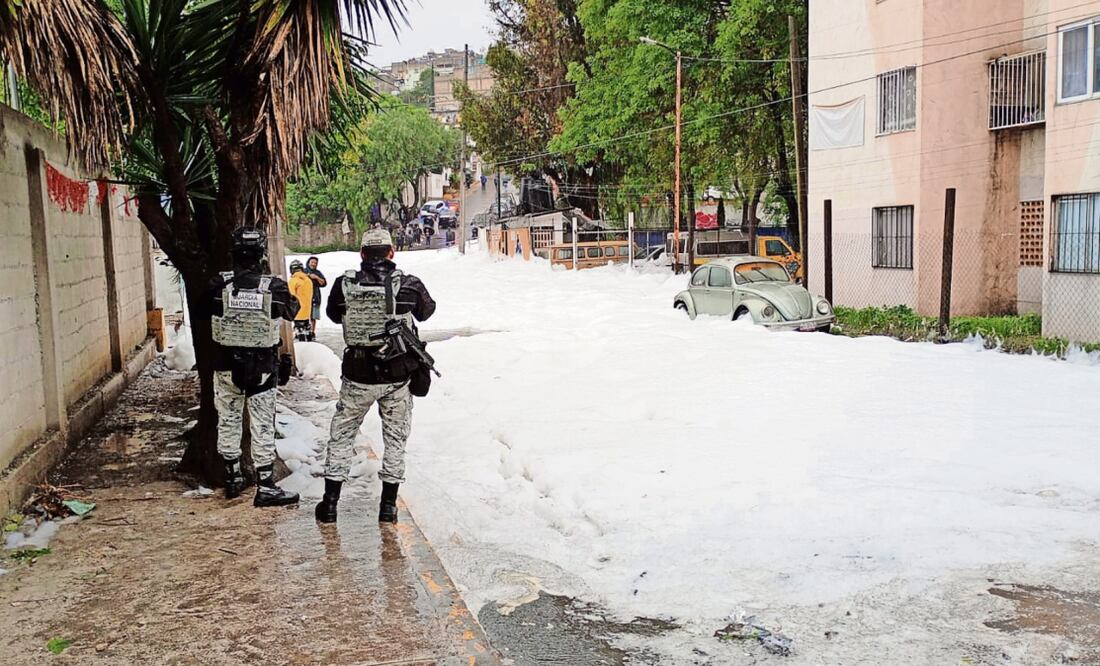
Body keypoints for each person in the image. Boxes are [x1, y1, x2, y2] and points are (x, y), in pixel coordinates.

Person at [315, 229, 436, 524]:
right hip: (397, 378)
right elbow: (427, 312)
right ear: (391, 253)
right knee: (395, 440)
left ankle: (330, 506)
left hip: (357, 375)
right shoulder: (408, 285)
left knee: (341, 436)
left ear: (362, 255)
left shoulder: (344, 284)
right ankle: (387, 507)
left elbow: (332, 314)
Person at [201, 227, 299, 506]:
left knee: (229, 419)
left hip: (225, 366)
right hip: (262, 367)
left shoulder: (219, 285)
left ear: (233, 254)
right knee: (262, 424)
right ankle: (265, 484)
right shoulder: (274, 287)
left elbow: (201, 308)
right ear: (262, 254)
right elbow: (293, 310)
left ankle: (232, 477)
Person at [288, 259, 313, 341]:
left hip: (297, 311)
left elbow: (291, 296)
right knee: (307, 329)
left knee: (300, 331)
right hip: (307, 311)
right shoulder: (308, 280)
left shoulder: (293, 281)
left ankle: (302, 346)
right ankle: (310, 344)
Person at [305, 256, 327, 339]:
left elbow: (323, 283)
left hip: (316, 296)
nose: (313, 264)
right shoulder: (304, 271)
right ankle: (302, 331)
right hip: (305, 297)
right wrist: (309, 276)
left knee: (313, 316)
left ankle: (312, 332)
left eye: (315, 263)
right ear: (308, 262)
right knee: (304, 315)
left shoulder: (318, 273)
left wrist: (316, 277)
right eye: (312, 262)